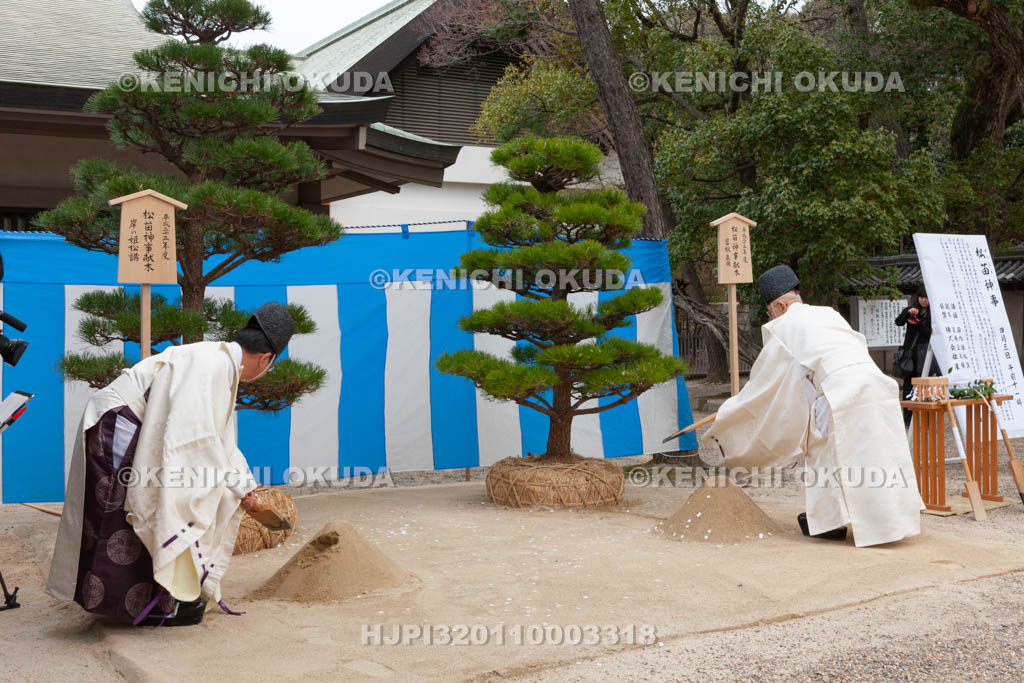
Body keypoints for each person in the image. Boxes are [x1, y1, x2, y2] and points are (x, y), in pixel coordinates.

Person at [46, 303, 294, 626]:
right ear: (265, 359)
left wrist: (241, 488)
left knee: (154, 505)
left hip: (131, 423)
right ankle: (139, 607)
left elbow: (218, 442)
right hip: (120, 425)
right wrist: (227, 486)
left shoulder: (220, 361)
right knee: (128, 513)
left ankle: (156, 603)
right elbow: (196, 443)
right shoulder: (215, 366)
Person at [703, 265, 922, 547]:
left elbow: (764, 384)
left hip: (841, 392)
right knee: (881, 453)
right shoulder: (827, 313)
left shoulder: (784, 326)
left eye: (771, 311)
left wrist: (731, 411)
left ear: (780, 305)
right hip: (877, 385)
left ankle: (828, 524)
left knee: (823, 455)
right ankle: (895, 523)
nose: (772, 316)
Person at [895, 286, 939, 426]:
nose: (924, 300)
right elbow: (898, 322)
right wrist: (908, 313)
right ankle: (907, 419)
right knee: (908, 386)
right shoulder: (911, 310)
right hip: (911, 355)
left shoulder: (934, 315)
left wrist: (918, 322)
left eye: (926, 297)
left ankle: (926, 420)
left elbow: (929, 334)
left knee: (925, 386)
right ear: (917, 297)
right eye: (921, 297)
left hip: (925, 355)